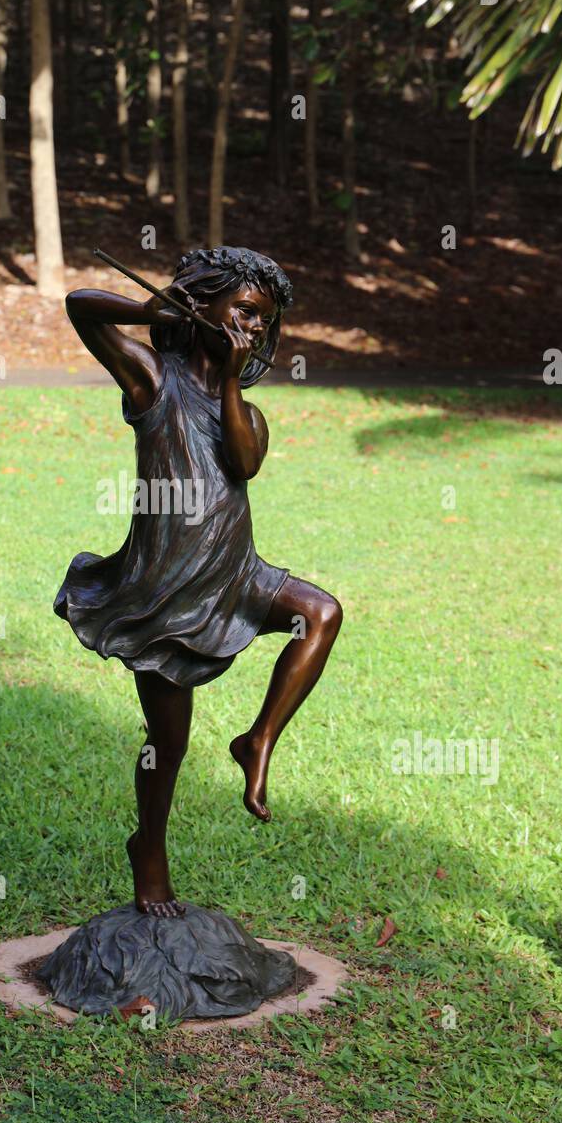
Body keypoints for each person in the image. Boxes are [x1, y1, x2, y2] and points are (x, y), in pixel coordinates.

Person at [55, 247, 343, 916]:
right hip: (164, 593)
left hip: (237, 577)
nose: (252, 329)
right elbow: (79, 308)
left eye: (263, 323)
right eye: (243, 311)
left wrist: (234, 380)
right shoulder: (152, 378)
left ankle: (258, 739)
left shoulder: (248, 411)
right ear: (202, 305)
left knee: (321, 614)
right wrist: (144, 307)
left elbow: (242, 462)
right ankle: (148, 849)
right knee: (168, 744)